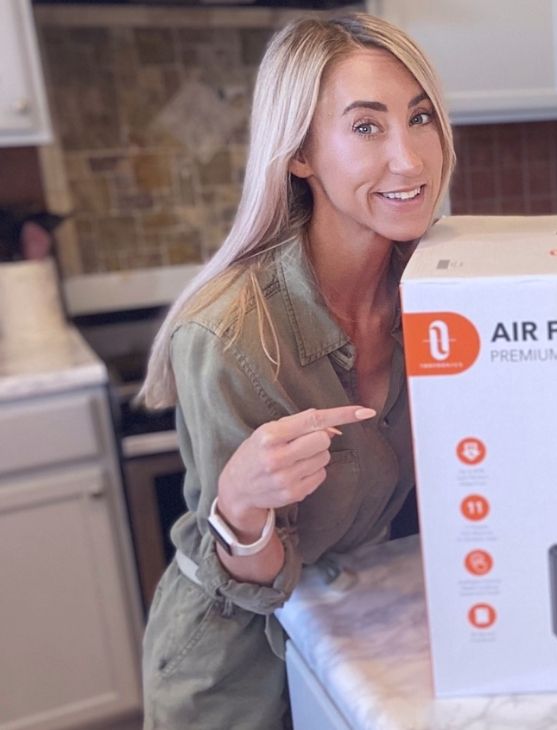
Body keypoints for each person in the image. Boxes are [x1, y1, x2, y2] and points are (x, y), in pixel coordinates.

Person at [136, 13, 454, 728]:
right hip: (234, 670)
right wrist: (243, 511)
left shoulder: (438, 296)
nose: (410, 159)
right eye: (367, 127)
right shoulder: (229, 335)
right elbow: (249, 579)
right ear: (301, 152)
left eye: (421, 117)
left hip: (356, 634)